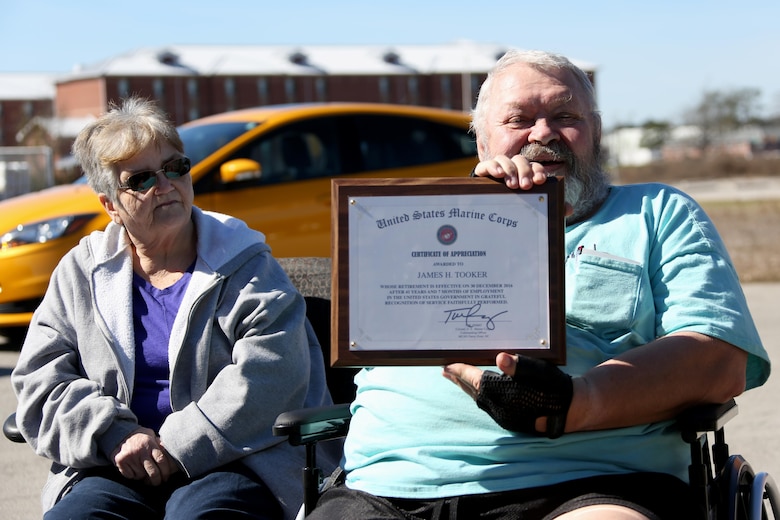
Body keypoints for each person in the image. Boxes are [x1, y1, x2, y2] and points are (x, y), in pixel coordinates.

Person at [306, 50, 771, 519]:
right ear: (483, 142)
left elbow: (719, 360)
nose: (544, 132)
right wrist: (481, 211)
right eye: (519, 119)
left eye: (565, 116)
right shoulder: (412, 223)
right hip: (386, 488)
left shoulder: (657, 213)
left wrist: (576, 403)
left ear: (596, 133)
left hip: (587, 484)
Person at [11, 97, 337, 520]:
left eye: (175, 168)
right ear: (110, 205)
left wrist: (174, 446)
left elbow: (273, 371)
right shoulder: (81, 272)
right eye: (141, 179)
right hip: (113, 463)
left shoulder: (244, 260)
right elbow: (41, 381)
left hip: (237, 461)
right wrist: (112, 433)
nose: (164, 185)